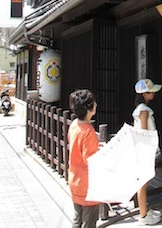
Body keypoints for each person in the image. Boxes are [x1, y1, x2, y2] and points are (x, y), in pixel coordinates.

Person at [68, 89, 101, 228]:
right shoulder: (88, 131)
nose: (96, 104)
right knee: (89, 222)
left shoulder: (75, 124)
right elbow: (91, 159)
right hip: (88, 183)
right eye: (93, 103)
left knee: (77, 220)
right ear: (89, 108)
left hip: (75, 179)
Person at [133, 78, 162, 226]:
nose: (154, 94)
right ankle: (143, 215)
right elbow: (144, 131)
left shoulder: (140, 109)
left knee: (144, 181)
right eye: (151, 92)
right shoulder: (144, 110)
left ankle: (143, 210)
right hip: (145, 149)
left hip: (141, 148)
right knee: (144, 182)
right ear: (144, 94)